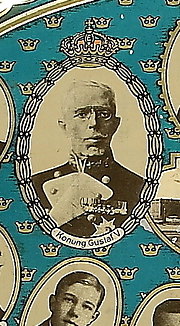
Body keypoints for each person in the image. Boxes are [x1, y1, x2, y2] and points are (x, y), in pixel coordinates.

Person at [31, 79, 144, 237]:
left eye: (104, 114)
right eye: (82, 114)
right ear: (64, 126)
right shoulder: (35, 186)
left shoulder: (138, 187)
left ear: (115, 124)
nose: (94, 123)